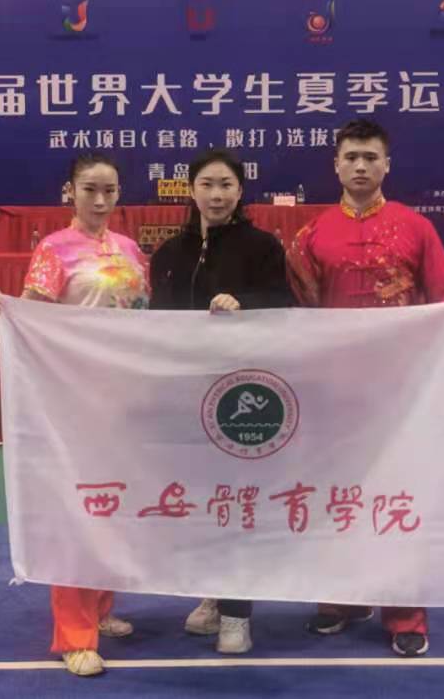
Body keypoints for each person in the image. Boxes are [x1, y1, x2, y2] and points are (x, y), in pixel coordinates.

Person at [285, 117, 444, 658]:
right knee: (334, 495)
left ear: (387, 165)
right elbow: (297, 317)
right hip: (333, 394)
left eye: (370, 157)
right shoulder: (311, 235)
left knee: (398, 497)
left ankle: (405, 613)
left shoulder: (416, 228)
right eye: (351, 157)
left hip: (402, 394)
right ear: (336, 165)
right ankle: (339, 599)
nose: (360, 166)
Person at [0, 153, 148, 678]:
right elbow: (34, 311)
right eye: (89, 189)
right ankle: (75, 636)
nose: (100, 200)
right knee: (77, 514)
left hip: (127, 399)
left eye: (109, 190)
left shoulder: (129, 250)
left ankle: (101, 608)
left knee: (114, 505)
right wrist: (12, 311)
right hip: (74, 399)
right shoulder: (54, 249)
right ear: (69, 192)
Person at [149, 147, 293, 656]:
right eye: (207, 184)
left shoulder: (263, 246)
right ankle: (211, 594)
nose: (216, 194)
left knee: (238, 502)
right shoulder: (169, 254)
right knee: (200, 502)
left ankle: (237, 614)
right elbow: (156, 323)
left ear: (240, 191)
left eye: (226, 184)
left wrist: (243, 304)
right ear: (191, 190)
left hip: (241, 399)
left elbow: (284, 306)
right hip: (185, 395)